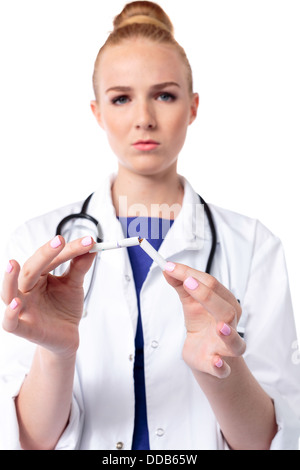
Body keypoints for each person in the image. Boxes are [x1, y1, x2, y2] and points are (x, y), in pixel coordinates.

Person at [0, 1, 299, 451]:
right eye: (121, 98)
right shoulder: (38, 241)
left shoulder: (254, 245)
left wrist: (219, 370)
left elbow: (272, 441)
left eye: (164, 94)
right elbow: (29, 441)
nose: (144, 117)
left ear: (193, 106)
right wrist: (58, 352)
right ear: (97, 112)